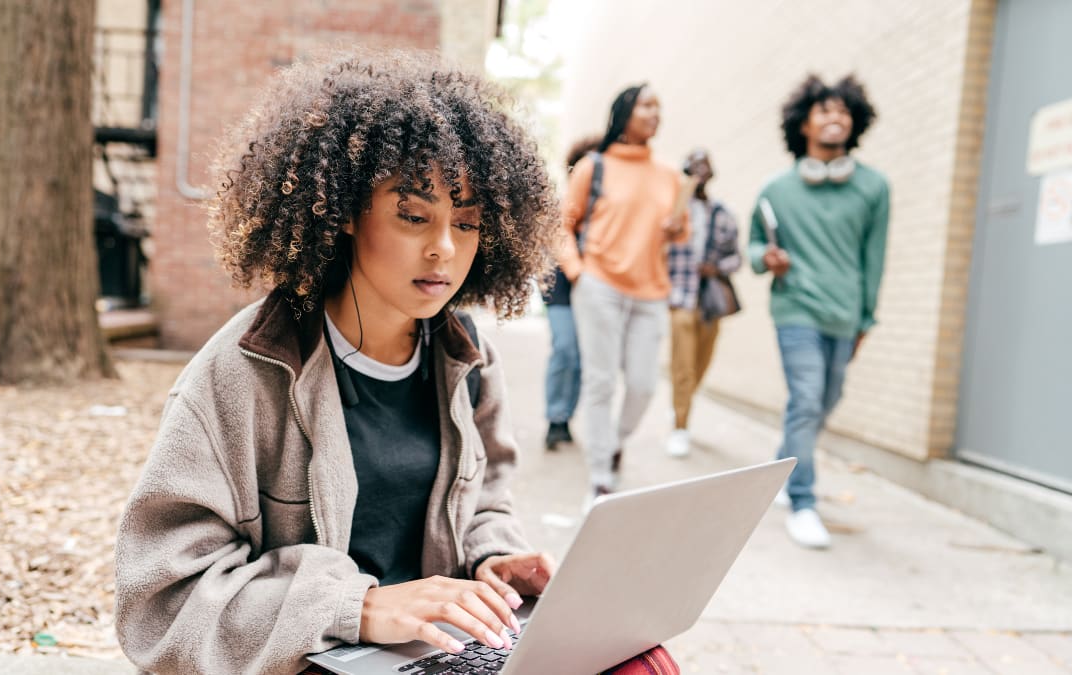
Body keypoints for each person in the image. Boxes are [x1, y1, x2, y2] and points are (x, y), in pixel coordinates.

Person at [113, 52, 678, 675]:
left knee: (643, 660)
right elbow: (162, 602)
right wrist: (356, 607)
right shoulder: (243, 372)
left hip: (437, 649)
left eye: (467, 224)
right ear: (344, 212)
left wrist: (493, 559)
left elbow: (485, 501)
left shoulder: (466, 356)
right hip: (310, 659)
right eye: (414, 216)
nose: (444, 248)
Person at [749, 74, 890, 549]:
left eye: (844, 112)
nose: (836, 118)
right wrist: (765, 258)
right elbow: (754, 245)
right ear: (803, 124)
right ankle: (803, 501)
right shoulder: (775, 189)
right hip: (796, 308)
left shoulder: (874, 187)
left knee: (826, 400)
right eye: (825, 110)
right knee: (807, 401)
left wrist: (866, 319)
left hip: (844, 313)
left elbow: (874, 258)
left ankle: (783, 467)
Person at [558, 84, 689, 503]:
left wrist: (676, 228)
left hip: (651, 292)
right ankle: (600, 477)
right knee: (600, 382)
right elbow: (562, 225)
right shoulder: (593, 167)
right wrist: (578, 274)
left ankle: (613, 442)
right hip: (600, 286)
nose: (655, 113)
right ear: (625, 112)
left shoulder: (670, 175)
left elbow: (680, 233)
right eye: (646, 105)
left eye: (659, 106)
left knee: (644, 385)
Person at [665, 148, 742, 458]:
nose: (700, 170)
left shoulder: (723, 213)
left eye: (705, 164)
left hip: (709, 301)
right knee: (682, 365)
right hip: (680, 297)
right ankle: (680, 425)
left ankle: (680, 403)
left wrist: (717, 268)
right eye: (694, 164)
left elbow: (736, 258)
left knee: (701, 363)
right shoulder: (674, 208)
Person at [541, 134, 602, 451]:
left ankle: (565, 418)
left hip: (596, 287)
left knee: (581, 356)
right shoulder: (561, 206)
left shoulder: (606, 208)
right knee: (565, 347)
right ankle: (555, 417)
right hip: (562, 286)